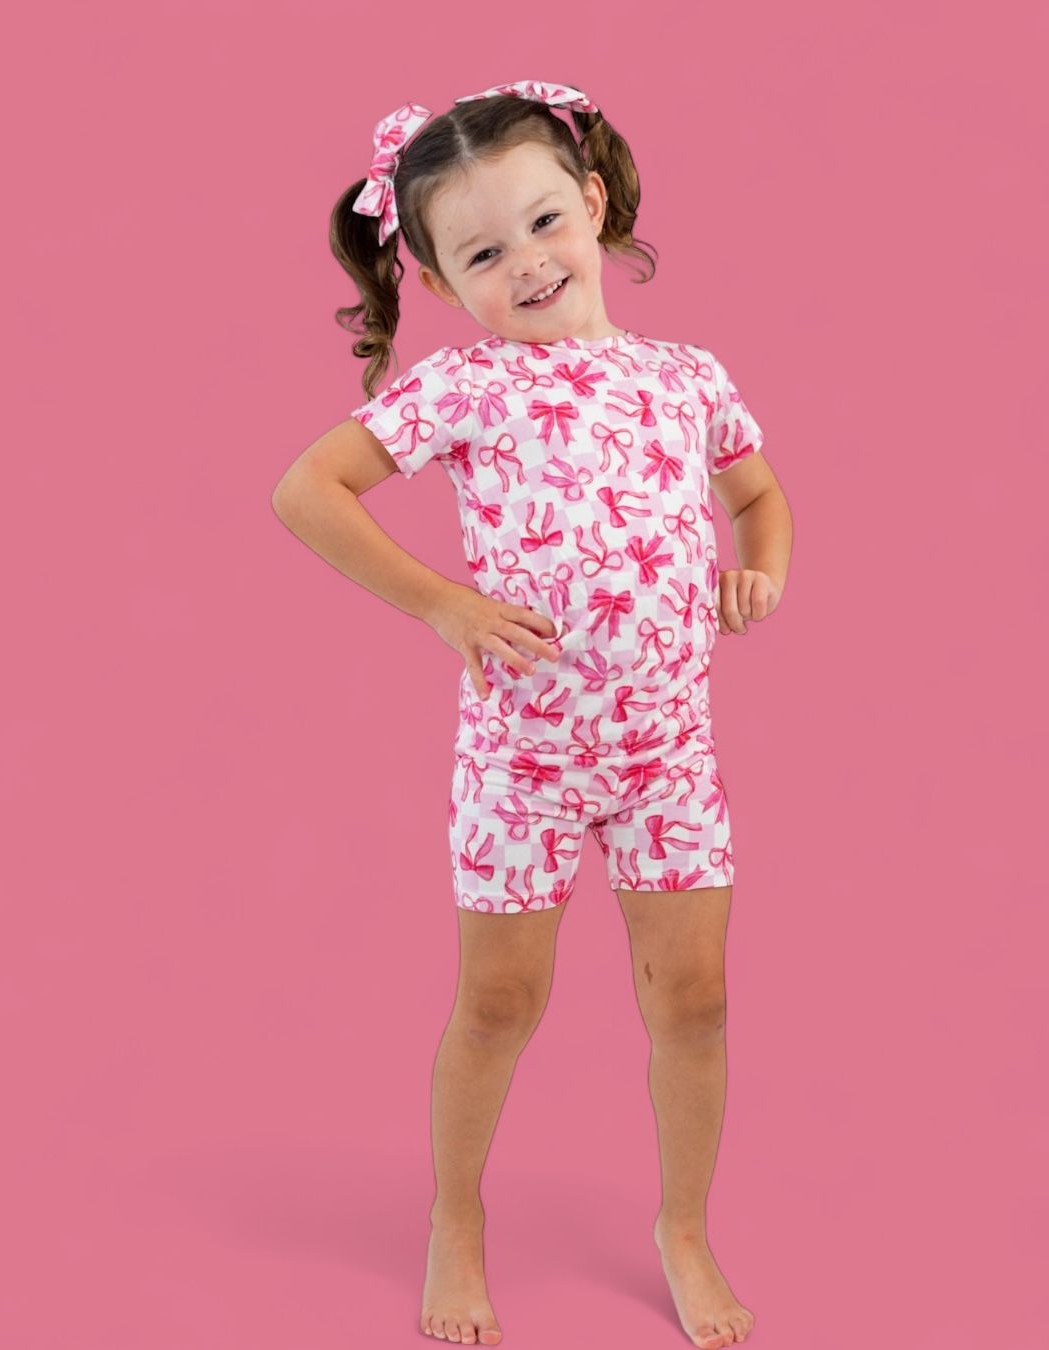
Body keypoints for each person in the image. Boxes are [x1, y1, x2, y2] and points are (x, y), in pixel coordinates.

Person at [272, 78, 792, 1349]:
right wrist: (441, 604)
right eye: (484, 254)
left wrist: (760, 569)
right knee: (500, 1003)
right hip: (524, 762)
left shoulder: (686, 376)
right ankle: (456, 1216)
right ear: (442, 283)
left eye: (545, 223)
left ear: (593, 203)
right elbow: (308, 490)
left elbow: (758, 495)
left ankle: (683, 1229)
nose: (529, 264)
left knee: (696, 1003)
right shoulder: (467, 387)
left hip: (668, 757)